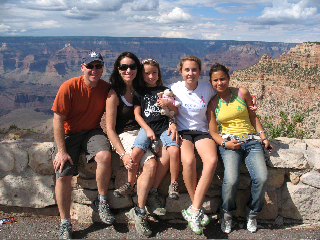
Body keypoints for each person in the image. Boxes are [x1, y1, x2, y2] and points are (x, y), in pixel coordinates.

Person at [105, 52, 178, 237]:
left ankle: (152, 193)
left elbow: (163, 109)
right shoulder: (114, 93)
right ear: (117, 69)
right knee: (150, 163)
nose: (128, 70)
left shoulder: (142, 87)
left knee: (167, 153)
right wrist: (123, 154)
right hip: (126, 135)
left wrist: (172, 122)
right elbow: (110, 129)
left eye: (132, 66)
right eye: (123, 67)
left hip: (145, 132)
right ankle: (140, 211)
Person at [51, 51, 114, 239]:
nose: (94, 70)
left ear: (103, 68)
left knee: (104, 156)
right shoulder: (68, 86)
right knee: (63, 174)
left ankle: (101, 201)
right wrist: (61, 150)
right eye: (90, 66)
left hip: (92, 131)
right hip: (69, 133)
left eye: (98, 66)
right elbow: (57, 119)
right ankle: (65, 223)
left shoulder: (105, 88)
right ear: (82, 67)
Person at [207, 62, 272, 234]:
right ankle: (227, 214)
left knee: (262, 177)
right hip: (229, 143)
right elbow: (213, 132)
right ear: (211, 82)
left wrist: (263, 137)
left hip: (251, 141)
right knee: (231, 180)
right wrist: (224, 143)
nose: (219, 83)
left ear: (228, 78)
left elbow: (253, 116)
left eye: (222, 79)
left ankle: (252, 212)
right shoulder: (213, 104)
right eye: (215, 80)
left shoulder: (242, 92)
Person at [113, 58, 180, 200]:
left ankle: (174, 184)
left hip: (163, 127)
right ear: (142, 75)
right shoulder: (140, 92)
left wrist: (169, 103)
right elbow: (137, 115)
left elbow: (175, 111)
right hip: (147, 127)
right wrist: (148, 130)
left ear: (159, 73)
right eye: (147, 73)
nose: (151, 76)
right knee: (136, 151)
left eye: (154, 73)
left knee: (174, 150)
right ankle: (130, 184)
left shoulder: (165, 91)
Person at [168, 55, 219, 235]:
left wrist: (246, 97)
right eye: (187, 70)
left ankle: (193, 210)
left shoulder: (207, 88)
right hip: (183, 132)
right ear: (181, 71)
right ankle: (196, 208)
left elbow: (226, 91)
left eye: (194, 70)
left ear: (200, 71)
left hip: (203, 131)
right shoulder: (174, 88)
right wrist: (171, 122)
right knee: (188, 162)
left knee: (211, 161)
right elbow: (165, 106)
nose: (191, 73)